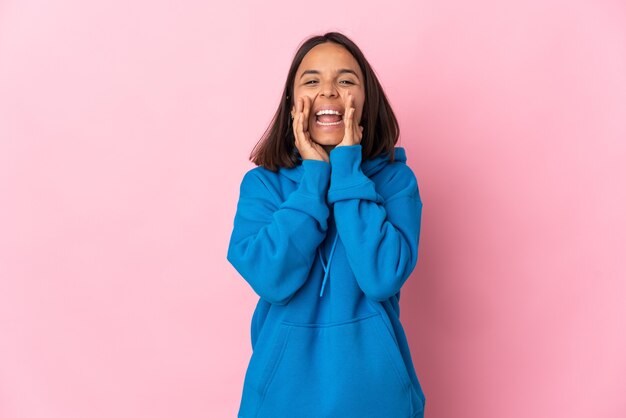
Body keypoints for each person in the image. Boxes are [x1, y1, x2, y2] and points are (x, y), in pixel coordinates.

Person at [226, 31, 426, 418]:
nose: (330, 91)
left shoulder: (396, 183)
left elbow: (381, 277)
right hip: (280, 403)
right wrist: (314, 176)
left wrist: (348, 171)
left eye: (347, 80)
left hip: (378, 401)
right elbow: (271, 279)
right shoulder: (263, 185)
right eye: (312, 80)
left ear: (366, 102)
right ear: (292, 103)